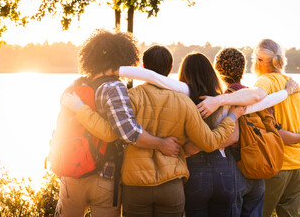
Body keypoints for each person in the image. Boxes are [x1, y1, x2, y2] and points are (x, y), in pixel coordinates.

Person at [62, 45, 243, 217]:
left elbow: (113, 132)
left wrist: (80, 109)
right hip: (171, 185)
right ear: (170, 68)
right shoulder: (184, 102)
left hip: (135, 186)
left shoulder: (128, 97)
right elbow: (209, 142)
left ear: (143, 67)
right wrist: (231, 118)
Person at [55, 30, 181, 217]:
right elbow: (127, 131)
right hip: (104, 176)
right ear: (123, 57)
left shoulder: (74, 87)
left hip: (71, 173)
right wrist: (161, 144)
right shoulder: (114, 87)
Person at [198, 40, 300, 217]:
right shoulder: (299, 88)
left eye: (255, 59)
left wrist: (218, 100)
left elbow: (257, 98)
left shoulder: (265, 81)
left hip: (274, 163)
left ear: (260, 61)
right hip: (299, 167)